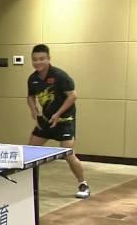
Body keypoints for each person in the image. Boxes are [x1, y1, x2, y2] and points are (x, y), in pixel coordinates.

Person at [27, 44, 90, 198]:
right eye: (35, 59)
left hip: (64, 120)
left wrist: (58, 113)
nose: (38, 62)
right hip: (47, 121)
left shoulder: (60, 76)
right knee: (29, 152)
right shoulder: (33, 79)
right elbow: (30, 96)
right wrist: (34, 110)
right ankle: (27, 186)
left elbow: (73, 96)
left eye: (42, 59)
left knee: (68, 154)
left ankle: (83, 184)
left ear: (48, 59)